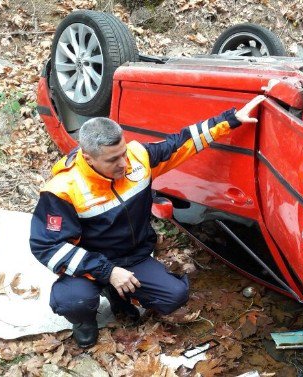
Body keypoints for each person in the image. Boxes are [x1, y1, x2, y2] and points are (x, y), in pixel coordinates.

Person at [29, 95, 266, 348]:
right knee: (72, 300)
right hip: (89, 264)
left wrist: (230, 120)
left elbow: (181, 143)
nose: (124, 164)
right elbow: (48, 247)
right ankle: (84, 320)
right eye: (112, 160)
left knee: (174, 296)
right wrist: (107, 271)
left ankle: (119, 295)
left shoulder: (137, 157)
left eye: (123, 153)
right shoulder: (63, 189)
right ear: (88, 158)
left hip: (132, 257)